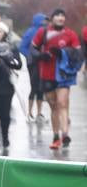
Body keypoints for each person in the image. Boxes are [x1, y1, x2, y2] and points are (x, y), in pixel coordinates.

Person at [30, 8, 81, 150]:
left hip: (63, 75)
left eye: (63, 15)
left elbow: (78, 53)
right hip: (46, 74)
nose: (60, 18)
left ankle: (65, 134)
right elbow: (32, 48)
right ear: (51, 18)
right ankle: (56, 136)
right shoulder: (43, 32)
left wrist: (63, 52)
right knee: (53, 106)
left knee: (62, 103)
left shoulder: (70, 34)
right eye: (57, 15)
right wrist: (41, 56)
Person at [0, 21, 21, 152]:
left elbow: (18, 65)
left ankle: (5, 138)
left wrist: (4, 58)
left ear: (5, 33)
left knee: (5, 115)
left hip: (6, 85)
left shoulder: (11, 47)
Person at [20, 13, 48, 125]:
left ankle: (39, 114)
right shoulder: (31, 32)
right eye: (44, 20)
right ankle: (30, 113)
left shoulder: (46, 31)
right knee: (34, 87)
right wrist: (31, 56)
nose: (46, 22)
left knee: (41, 88)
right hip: (34, 64)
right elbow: (22, 47)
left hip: (43, 63)